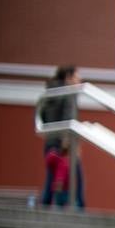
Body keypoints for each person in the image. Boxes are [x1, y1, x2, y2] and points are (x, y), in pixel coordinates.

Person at [36, 64, 83, 208]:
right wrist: (67, 141)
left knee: (52, 177)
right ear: (68, 77)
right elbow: (69, 118)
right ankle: (79, 207)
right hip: (64, 143)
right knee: (77, 177)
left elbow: (41, 113)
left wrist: (49, 132)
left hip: (50, 142)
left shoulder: (50, 92)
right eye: (76, 76)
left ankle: (45, 204)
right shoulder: (68, 93)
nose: (79, 80)